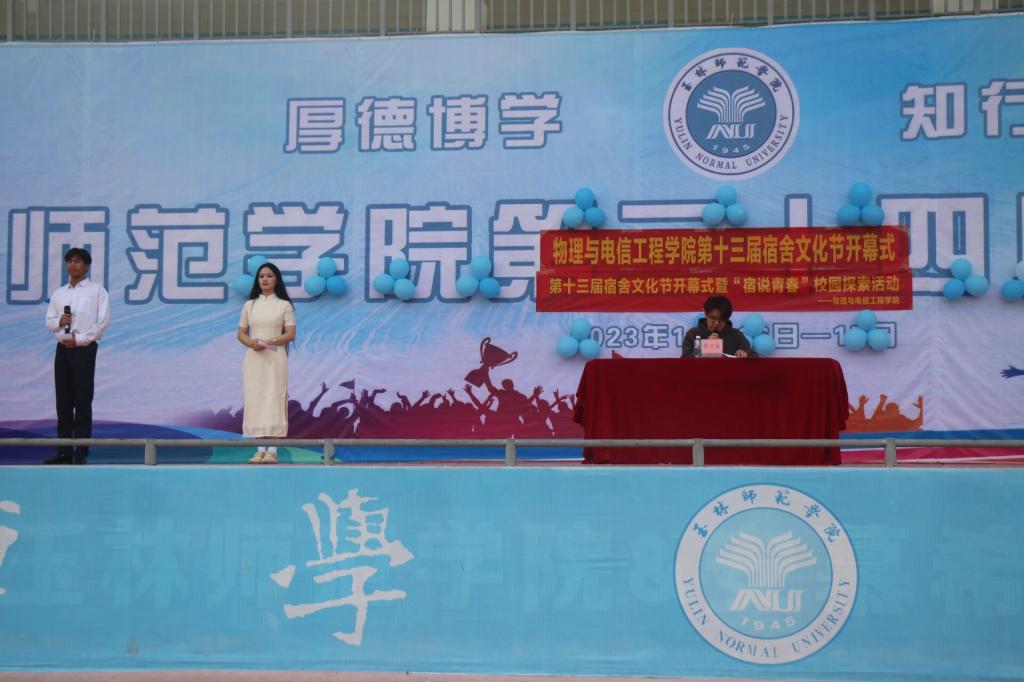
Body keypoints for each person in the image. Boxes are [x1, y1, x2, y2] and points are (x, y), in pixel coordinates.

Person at [43, 247, 111, 465]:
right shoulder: (59, 293)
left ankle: (81, 452)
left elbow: (102, 322)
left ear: (86, 266)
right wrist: (59, 322)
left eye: (77, 261)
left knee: (82, 400)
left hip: (83, 349)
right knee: (63, 402)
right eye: (70, 261)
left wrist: (80, 339)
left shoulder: (97, 291)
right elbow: (49, 322)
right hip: (63, 349)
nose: (72, 265)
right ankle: (64, 452)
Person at [237, 262, 296, 463]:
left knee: (274, 399)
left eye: (269, 276)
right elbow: (241, 333)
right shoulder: (250, 305)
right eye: (262, 276)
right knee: (256, 399)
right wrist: (252, 343)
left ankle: (273, 451)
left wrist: (268, 342)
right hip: (254, 358)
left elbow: (290, 334)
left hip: (275, 357)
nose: (265, 279)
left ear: (276, 279)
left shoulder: (284, 305)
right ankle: (260, 450)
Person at [681, 295, 755, 358]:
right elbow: (684, 362)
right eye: (713, 318)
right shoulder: (693, 334)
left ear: (727, 319)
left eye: (721, 319)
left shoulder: (736, 335)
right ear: (705, 314)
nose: (717, 323)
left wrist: (745, 354)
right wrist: (705, 347)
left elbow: (754, 357)